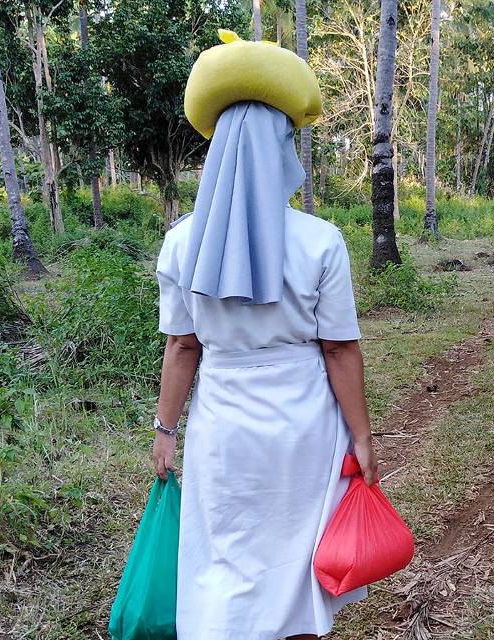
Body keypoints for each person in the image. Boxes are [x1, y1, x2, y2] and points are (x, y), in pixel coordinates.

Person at [150, 101, 377, 639]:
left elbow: (183, 345)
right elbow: (339, 350)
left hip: (223, 425)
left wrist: (165, 430)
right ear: (281, 157)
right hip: (303, 425)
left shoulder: (183, 241)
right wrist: (363, 436)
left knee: (226, 555)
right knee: (300, 564)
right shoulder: (321, 240)